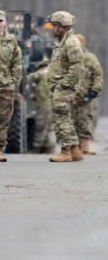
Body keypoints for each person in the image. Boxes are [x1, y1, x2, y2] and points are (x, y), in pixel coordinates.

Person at [45, 10, 85, 162]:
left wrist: (64, 85)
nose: (52, 28)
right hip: (59, 86)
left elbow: (77, 67)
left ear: (62, 26)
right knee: (64, 118)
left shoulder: (71, 43)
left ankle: (65, 151)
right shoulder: (62, 41)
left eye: (54, 25)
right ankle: (74, 150)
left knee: (61, 119)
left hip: (63, 88)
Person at [0, 9, 23, 161]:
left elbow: (17, 62)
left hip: (5, 86)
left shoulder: (11, 41)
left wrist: (14, 81)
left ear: (5, 23)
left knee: (2, 118)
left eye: (0, 21)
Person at [74, 33, 103, 155]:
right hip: (70, 95)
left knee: (85, 120)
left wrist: (94, 90)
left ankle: (84, 146)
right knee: (69, 121)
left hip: (85, 95)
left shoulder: (90, 58)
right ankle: (73, 147)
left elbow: (98, 75)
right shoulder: (68, 57)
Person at [27, 58, 55, 154]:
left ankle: (37, 148)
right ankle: (49, 148)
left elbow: (29, 78)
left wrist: (32, 92)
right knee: (51, 127)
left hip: (44, 104)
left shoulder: (41, 73)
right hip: (54, 103)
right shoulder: (54, 73)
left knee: (40, 125)